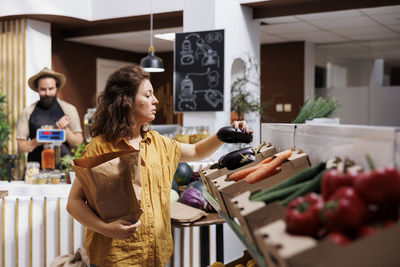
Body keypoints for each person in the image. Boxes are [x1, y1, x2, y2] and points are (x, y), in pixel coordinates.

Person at [66, 64, 251, 267]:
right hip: (116, 258)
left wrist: (222, 135)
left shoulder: (158, 143)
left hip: (156, 256)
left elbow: (197, 152)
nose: (155, 101)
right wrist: (105, 228)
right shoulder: (99, 148)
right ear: (126, 101)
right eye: (147, 95)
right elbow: (74, 202)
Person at [16, 67, 84, 166]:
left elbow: (79, 145)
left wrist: (66, 130)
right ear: (37, 89)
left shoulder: (69, 110)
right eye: (43, 89)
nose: (47, 93)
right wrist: (36, 141)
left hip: (63, 167)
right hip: (35, 170)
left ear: (56, 88)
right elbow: (20, 147)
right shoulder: (27, 112)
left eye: (51, 89)